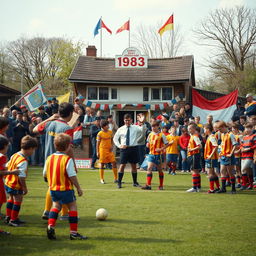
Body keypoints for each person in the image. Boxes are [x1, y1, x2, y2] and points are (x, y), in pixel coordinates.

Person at [33, 102, 75, 220]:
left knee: (52, 186)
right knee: (65, 186)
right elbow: (69, 149)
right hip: (61, 161)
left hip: (49, 161)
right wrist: (73, 164)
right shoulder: (67, 128)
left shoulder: (49, 124)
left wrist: (50, 118)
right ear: (71, 113)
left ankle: (47, 211)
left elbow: (35, 129)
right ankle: (64, 213)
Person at [43, 133, 86, 240]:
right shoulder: (67, 159)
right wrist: (78, 188)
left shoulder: (49, 158)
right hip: (66, 189)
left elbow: (44, 174)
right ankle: (73, 233)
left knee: (56, 206)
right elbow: (72, 175)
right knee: (72, 207)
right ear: (67, 146)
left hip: (53, 189)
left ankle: (50, 226)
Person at [5, 135, 37, 227]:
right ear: (30, 148)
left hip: (8, 182)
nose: (33, 152)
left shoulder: (15, 155)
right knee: (18, 200)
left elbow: (7, 165)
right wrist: (24, 188)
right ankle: (13, 219)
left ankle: (8, 216)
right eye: (33, 150)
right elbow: (21, 177)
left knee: (10, 199)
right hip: (16, 184)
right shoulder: (23, 160)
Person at [113, 113, 147, 189]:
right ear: (124, 120)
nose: (127, 122)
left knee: (134, 166)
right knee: (122, 165)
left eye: (128, 120)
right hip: (124, 149)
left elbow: (143, 130)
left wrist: (142, 122)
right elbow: (115, 139)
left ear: (131, 120)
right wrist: (119, 145)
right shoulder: (120, 129)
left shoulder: (135, 127)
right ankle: (119, 182)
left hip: (134, 148)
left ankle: (135, 182)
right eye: (126, 120)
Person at [0, 136, 20, 235]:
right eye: (7, 146)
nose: (8, 148)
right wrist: (12, 172)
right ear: (3, 146)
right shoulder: (1, 157)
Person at [141, 121, 169, 190]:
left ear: (158, 126)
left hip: (158, 155)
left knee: (160, 170)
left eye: (154, 126)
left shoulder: (162, 135)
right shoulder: (150, 134)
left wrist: (161, 149)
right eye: (152, 126)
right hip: (151, 154)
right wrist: (147, 144)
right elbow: (148, 142)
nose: (153, 128)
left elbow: (167, 144)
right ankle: (148, 185)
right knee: (149, 168)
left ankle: (161, 185)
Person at [216, 121, 237, 194]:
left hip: (229, 156)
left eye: (220, 129)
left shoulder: (231, 135)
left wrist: (231, 153)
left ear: (224, 127)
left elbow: (235, 144)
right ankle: (223, 188)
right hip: (223, 156)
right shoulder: (222, 135)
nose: (219, 131)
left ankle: (233, 189)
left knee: (230, 172)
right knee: (222, 171)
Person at [239, 123, 256, 190]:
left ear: (252, 129)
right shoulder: (244, 137)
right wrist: (241, 148)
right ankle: (250, 184)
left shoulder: (254, 136)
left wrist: (249, 148)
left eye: (249, 128)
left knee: (243, 169)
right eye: (246, 128)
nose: (247, 130)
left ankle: (244, 184)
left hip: (250, 155)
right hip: (243, 155)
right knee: (248, 171)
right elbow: (241, 145)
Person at [204, 124, 220, 193]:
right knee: (213, 173)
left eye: (204, 129)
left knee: (210, 173)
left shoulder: (211, 137)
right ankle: (218, 187)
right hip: (211, 157)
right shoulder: (210, 137)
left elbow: (215, 146)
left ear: (207, 129)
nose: (204, 130)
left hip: (211, 158)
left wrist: (210, 155)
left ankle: (211, 189)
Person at [186, 123, 202, 192]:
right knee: (196, 171)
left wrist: (191, 149)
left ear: (193, 129)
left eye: (190, 128)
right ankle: (198, 187)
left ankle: (194, 187)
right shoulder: (192, 136)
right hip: (193, 155)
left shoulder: (195, 136)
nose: (188, 130)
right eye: (188, 128)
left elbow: (200, 146)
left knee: (194, 171)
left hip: (194, 155)